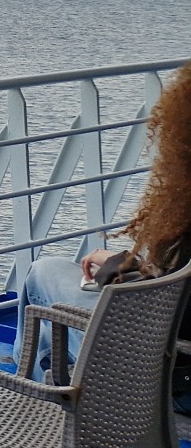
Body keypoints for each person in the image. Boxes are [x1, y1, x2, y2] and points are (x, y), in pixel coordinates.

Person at [15, 66, 190, 412]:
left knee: (43, 273)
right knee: (50, 329)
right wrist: (128, 264)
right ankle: (47, 394)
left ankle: (33, 409)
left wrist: (118, 268)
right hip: (173, 363)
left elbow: (163, 304)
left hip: (160, 377)